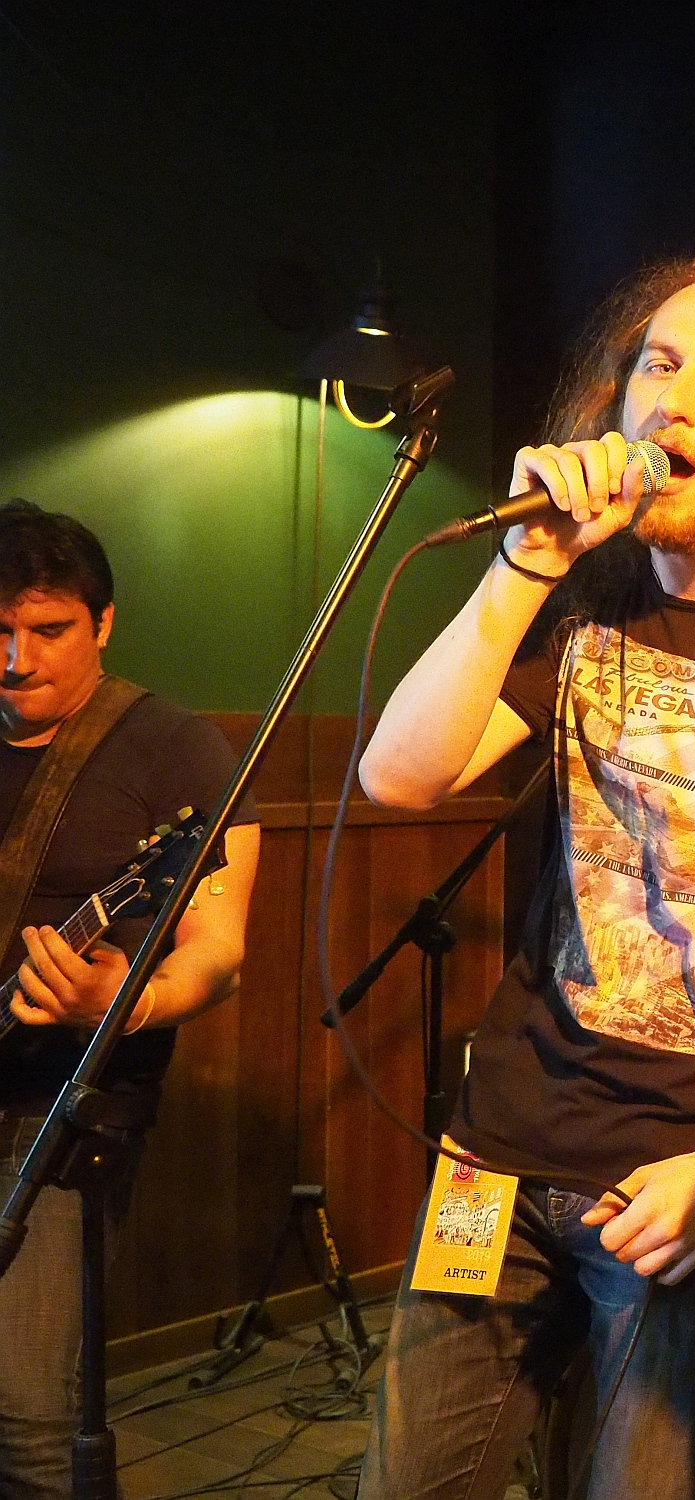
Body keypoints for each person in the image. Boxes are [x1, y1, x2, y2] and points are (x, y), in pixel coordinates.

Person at [355, 251, 695, 1499]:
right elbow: (399, 777)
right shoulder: (582, 605)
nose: (674, 401)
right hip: (497, 1155)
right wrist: (524, 563)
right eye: (658, 366)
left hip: (681, 1191)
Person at [0, 499, 261, 1499]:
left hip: (61, 1110)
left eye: (49, 630)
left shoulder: (174, 749)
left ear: (103, 623)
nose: (17, 660)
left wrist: (123, 998)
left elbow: (218, 955)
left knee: (29, 1415)